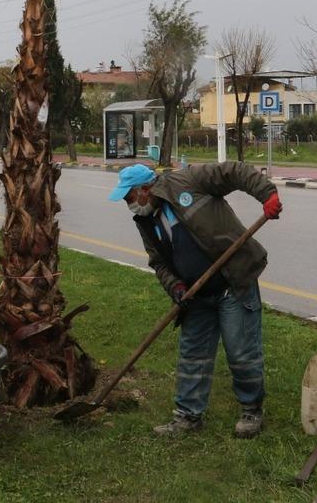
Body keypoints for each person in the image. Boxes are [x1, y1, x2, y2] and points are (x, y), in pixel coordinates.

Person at [109, 161, 282, 439]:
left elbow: (235, 171)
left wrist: (267, 194)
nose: (128, 204)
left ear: (145, 188)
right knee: (193, 356)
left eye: (129, 197)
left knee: (241, 352)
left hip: (232, 283)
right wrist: (175, 286)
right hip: (195, 295)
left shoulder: (188, 181)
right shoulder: (145, 219)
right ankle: (188, 416)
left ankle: (251, 411)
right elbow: (158, 262)